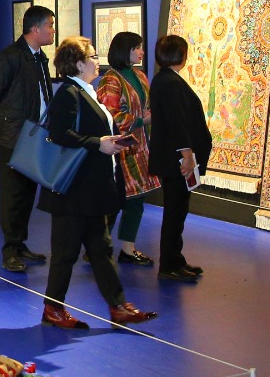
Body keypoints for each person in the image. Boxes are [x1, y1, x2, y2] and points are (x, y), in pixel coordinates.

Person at [37, 36, 157, 329]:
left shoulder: (86, 92)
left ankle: (118, 306)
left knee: (101, 250)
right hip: (73, 189)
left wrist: (109, 142)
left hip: (90, 188)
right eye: (92, 57)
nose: (97, 61)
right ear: (78, 64)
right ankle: (53, 308)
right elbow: (59, 133)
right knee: (66, 252)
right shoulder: (68, 93)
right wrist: (98, 143)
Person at [0, 4, 55, 272]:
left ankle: (20, 243)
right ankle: (10, 250)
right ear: (35, 29)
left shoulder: (39, 58)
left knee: (26, 193)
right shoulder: (10, 58)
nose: (53, 31)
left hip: (35, 135)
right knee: (13, 195)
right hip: (13, 136)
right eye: (50, 26)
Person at [147, 34, 213, 282]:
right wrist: (186, 155)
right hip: (175, 160)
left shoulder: (164, 79)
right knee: (175, 212)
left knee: (177, 211)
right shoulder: (171, 83)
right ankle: (169, 264)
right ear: (181, 55)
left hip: (171, 158)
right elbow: (177, 122)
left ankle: (175, 259)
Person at [96, 31, 157, 268]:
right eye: (137, 47)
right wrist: (141, 120)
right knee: (114, 200)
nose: (142, 51)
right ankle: (97, 246)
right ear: (126, 50)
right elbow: (109, 114)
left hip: (140, 146)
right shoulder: (111, 79)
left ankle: (127, 248)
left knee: (136, 199)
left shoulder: (139, 76)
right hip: (119, 147)